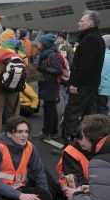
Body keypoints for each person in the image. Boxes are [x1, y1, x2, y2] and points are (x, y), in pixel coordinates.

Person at [62, 114, 110, 200]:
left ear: (91, 138)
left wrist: (76, 195)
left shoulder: (101, 162)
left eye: (82, 136)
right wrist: (93, 189)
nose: (80, 141)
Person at [62, 11, 106, 142]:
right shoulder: (97, 38)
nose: (79, 23)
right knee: (87, 115)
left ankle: (69, 143)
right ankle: (85, 143)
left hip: (82, 86)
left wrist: (75, 84)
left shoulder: (90, 39)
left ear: (91, 23)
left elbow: (85, 66)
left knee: (73, 113)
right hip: (90, 85)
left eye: (82, 21)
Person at [0, 29, 28, 134]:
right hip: (15, 85)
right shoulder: (20, 49)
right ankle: (15, 133)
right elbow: (26, 66)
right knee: (14, 110)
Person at [34, 34, 63, 140]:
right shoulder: (47, 54)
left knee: (49, 109)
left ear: (45, 44)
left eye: (40, 43)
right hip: (48, 84)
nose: (38, 44)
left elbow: (58, 70)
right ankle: (52, 131)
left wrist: (43, 69)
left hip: (50, 85)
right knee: (50, 108)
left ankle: (47, 132)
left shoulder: (52, 55)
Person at [97, 35, 110, 114]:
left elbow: (102, 74)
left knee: (101, 111)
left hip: (102, 89)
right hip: (106, 89)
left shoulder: (103, 56)